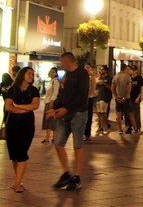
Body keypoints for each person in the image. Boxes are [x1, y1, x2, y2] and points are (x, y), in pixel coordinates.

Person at [46, 51, 90, 191]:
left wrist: (67, 109)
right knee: (58, 144)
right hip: (64, 114)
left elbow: (82, 96)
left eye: (61, 62)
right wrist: (56, 107)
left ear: (67, 61)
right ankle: (66, 173)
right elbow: (64, 94)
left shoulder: (81, 74)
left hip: (78, 114)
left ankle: (77, 177)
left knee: (78, 145)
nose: (60, 64)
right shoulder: (67, 75)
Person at [3, 65, 41, 193]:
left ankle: (17, 184)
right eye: (29, 73)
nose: (31, 76)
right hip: (12, 124)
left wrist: (18, 106)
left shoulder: (34, 90)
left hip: (27, 125)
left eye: (32, 74)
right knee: (14, 155)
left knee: (22, 153)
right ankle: (18, 180)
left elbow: (35, 105)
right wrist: (24, 109)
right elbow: (8, 107)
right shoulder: (12, 90)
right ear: (22, 75)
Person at [111, 61, 132, 138]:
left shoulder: (115, 77)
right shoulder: (127, 77)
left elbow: (112, 88)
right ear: (125, 69)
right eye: (127, 69)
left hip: (118, 98)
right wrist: (125, 97)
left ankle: (120, 129)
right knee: (129, 113)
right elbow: (129, 88)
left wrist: (116, 97)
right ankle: (130, 127)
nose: (128, 71)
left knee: (118, 114)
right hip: (126, 98)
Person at [41, 67, 60, 143]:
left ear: (56, 73)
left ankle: (53, 137)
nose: (51, 73)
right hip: (48, 102)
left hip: (51, 103)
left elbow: (55, 93)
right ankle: (48, 137)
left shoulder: (55, 82)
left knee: (52, 120)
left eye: (53, 72)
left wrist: (52, 101)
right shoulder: (50, 81)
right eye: (50, 71)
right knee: (48, 120)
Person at [127, 64, 143, 133]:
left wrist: (138, 97)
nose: (133, 71)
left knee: (136, 113)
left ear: (136, 71)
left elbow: (141, 89)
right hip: (129, 98)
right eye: (132, 70)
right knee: (129, 113)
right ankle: (130, 126)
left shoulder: (139, 78)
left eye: (134, 70)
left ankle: (138, 127)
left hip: (136, 97)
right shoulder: (129, 78)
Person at [95, 65, 112, 134]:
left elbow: (110, 88)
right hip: (98, 97)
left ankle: (103, 127)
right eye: (100, 69)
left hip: (105, 97)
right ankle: (102, 126)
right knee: (99, 112)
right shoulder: (99, 78)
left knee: (103, 112)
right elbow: (95, 88)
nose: (101, 71)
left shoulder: (109, 78)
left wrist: (103, 83)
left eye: (102, 69)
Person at [84, 63, 97, 141]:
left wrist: (88, 96)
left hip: (89, 98)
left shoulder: (92, 77)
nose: (86, 68)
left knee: (88, 117)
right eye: (85, 67)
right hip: (82, 99)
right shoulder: (82, 77)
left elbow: (93, 89)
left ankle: (87, 133)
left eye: (88, 67)